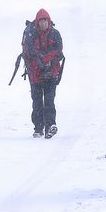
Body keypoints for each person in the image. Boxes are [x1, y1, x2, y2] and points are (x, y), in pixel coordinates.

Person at [22, 8, 63, 139]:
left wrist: (45, 60)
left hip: (51, 75)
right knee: (37, 102)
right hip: (36, 75)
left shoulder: (55, 34)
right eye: (41, 21)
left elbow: (58, 51)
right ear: (37, 23)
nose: (44, 24)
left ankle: (51, 125)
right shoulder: (30, 35)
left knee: (50, 101)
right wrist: (42, 62)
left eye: (46, 21)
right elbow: (29, 54)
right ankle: (38, 128)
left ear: (49, 21)